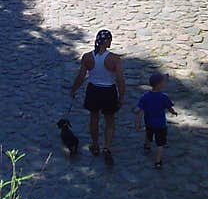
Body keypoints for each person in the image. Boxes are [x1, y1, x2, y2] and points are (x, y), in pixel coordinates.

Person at [69, 30, 125, 165]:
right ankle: (107, 147)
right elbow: (120, 80)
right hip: (108, 91)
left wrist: (74, 90)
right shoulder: (115, 59)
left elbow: (81, 76)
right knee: (109, 120)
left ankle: (95, 145)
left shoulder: (87, 57)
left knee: (94, 118)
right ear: (107, 42)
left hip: (93, 90)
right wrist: (121, 96)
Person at [135, 73, 178, 169]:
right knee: (160, 144)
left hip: (149, 122)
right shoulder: (164, 97)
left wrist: (138, 122)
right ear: (159, 84)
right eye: (164, 82)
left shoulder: (145, 96)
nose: (165, 83)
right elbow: (169, 107)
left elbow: (140, 110)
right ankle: (158, 161)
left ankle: (147, 146)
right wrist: (173, 112)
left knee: (148, 134)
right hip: (160, 124)